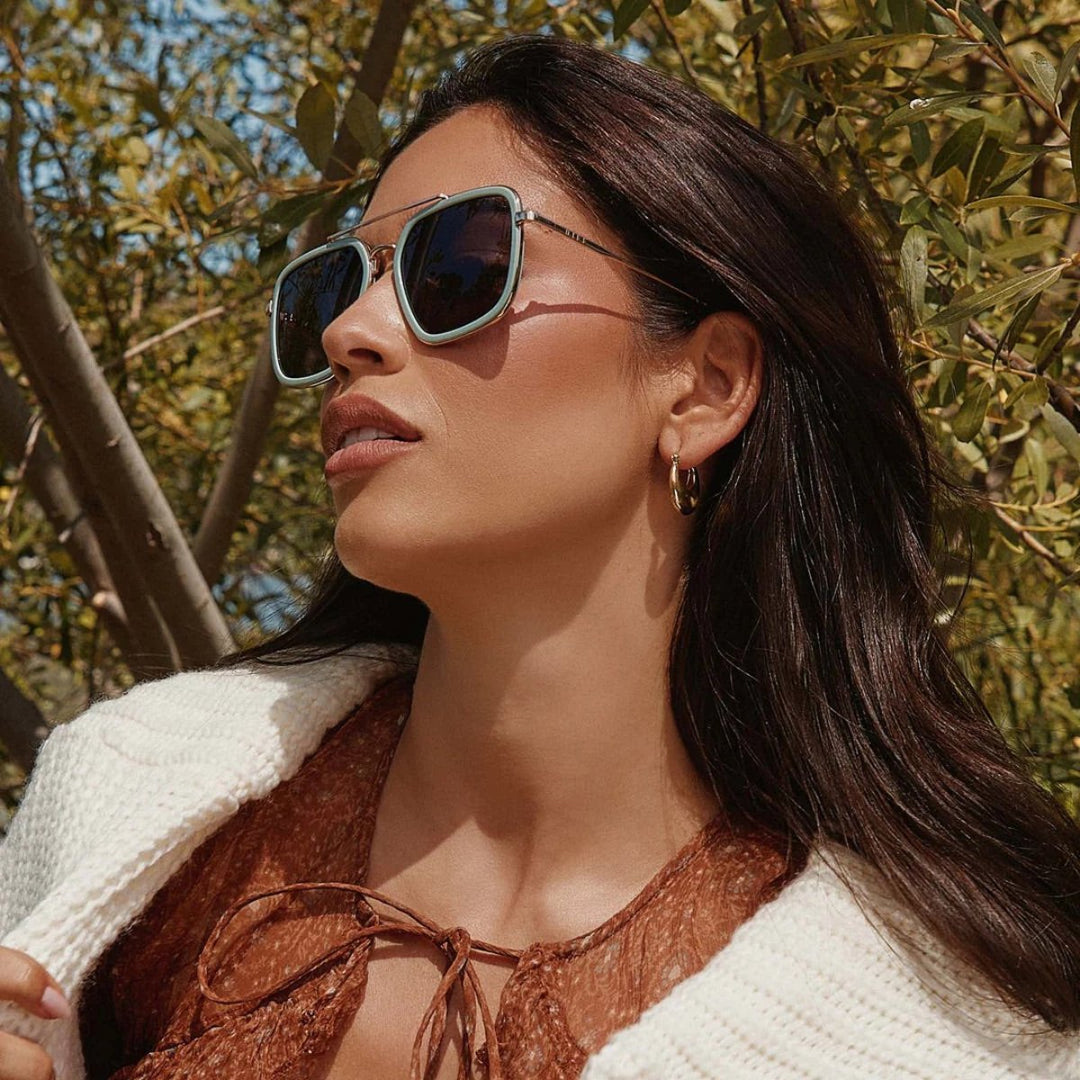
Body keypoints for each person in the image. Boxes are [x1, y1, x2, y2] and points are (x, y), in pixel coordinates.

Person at [1, 31, 1079, 1080]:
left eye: (459, 263)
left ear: (704, 389)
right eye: (336, 288)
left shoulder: (958, 1031)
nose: (352, 332)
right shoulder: (126, 816)